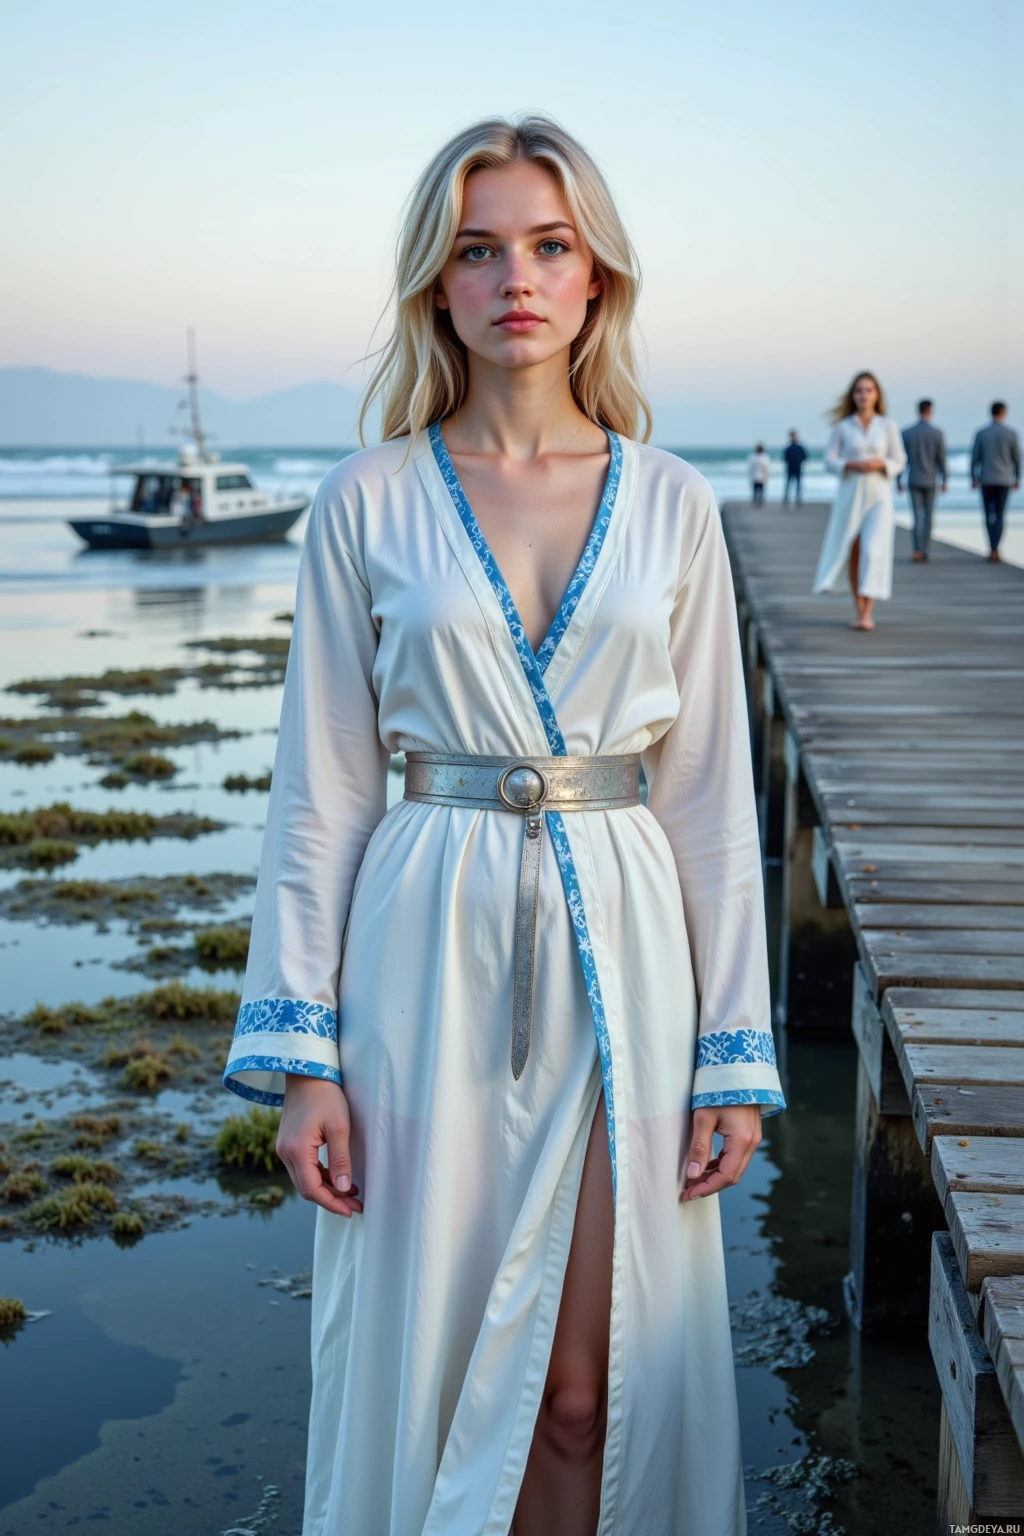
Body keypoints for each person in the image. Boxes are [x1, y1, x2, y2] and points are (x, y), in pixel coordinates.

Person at [223, 116, 784, 1536]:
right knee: (435, 1368)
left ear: (598, 279)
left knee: (595, 1389)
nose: (515, 278)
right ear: (437, 287)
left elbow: (713, 797)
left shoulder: (671, 505)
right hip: (421, 963)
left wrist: (736, 1050)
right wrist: (305, 1062)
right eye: (478, 250)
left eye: (548, 245)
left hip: (627, 957)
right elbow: (322, 793)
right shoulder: (364, 502)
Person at [812, 371, 906, 631]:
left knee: (873, 549)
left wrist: (880, 463)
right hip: (850, 494)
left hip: (879, 495)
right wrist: (850, 463)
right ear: (852, 396)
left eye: (869, 390)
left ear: (877, 395)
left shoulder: (887, 426)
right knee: (852, 550)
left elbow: (900, 460)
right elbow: (829, 461)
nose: (864, 395)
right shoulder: (843, 427)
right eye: (859, 390)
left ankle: (869, 611)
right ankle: (858, 607)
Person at [971, 401, 1021, 562]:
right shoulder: (1011, 433)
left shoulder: (981, 433)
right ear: (1003, 413)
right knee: (1000, 515)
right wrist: (1017, 477)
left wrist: (973, 477)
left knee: (988, 515)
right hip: (1004, 480)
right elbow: (1017, 459)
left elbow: (975, 458)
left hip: (986, 479)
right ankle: (995, 547)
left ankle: (992, 546)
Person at [898, 399, 947, 561]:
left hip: (913, 479)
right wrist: (945, 479)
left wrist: (898, 479)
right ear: (930, 411)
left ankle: (917, 549)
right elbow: (941, 459)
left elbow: (901, 460)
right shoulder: (937, 433)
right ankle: (925, 548)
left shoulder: (907, 433)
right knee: (929, 517)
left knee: (917, 516)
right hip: (931, 480)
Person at [782, 430, 807, 504]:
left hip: (798, 469)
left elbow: (804, 457)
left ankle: (798, 499)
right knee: (788, 485)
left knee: (798, 486)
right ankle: (786, 499)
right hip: (790, 469)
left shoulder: (800, 448)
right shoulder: (788, 448)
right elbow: (785, 458)